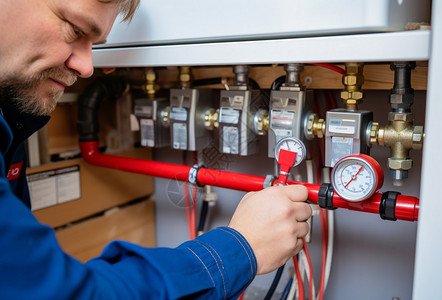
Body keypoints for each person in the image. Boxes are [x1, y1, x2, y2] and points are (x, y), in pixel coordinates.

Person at [0, 0, 312, 299]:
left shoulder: (12, 120)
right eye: (75, 30)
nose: (86, 67)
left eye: (95, 44)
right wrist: (240, 248)